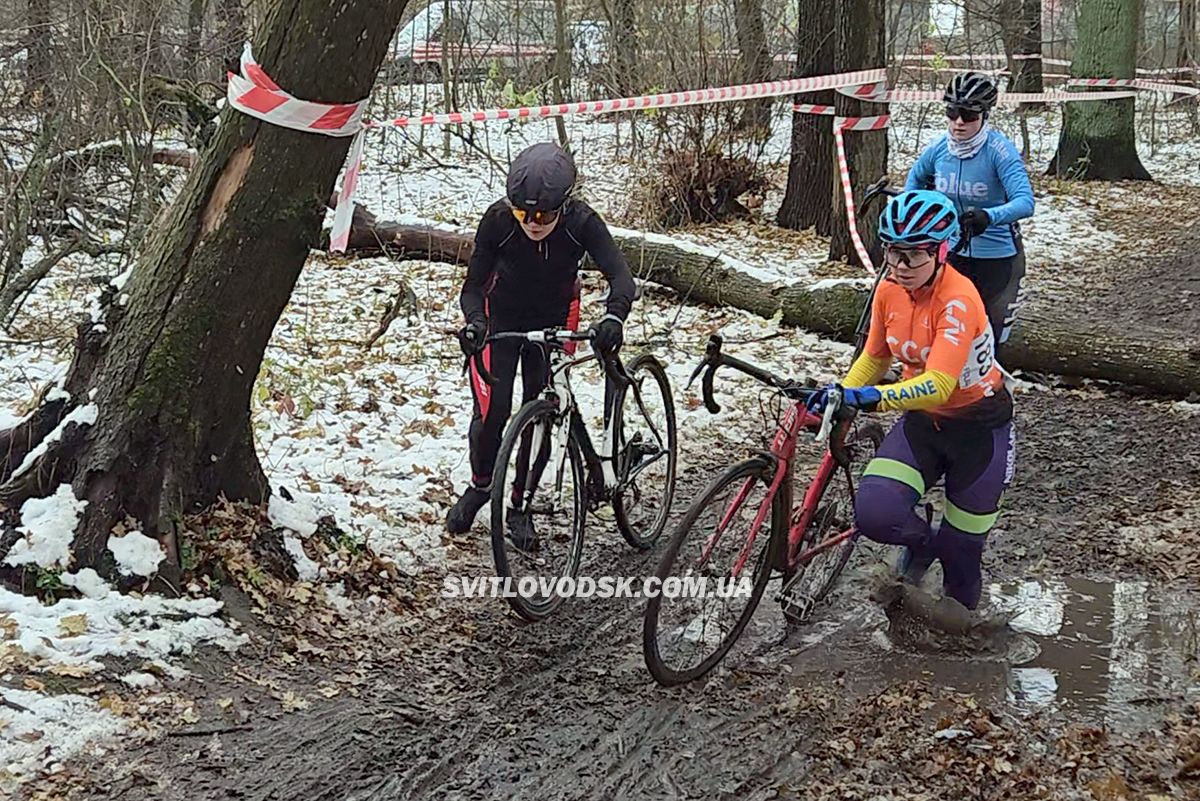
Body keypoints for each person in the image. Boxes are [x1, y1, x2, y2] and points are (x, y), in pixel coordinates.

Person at [807, 190, 1015, 612]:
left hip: (979, 431)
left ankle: (958, 656)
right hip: (924, 425)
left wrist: (868, 399)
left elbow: (939, 384)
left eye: (912, 256)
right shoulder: (889, 290)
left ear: (942, 251)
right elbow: (876, 356)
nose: (899, 267)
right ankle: (925, 545)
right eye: (891, 252)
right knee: (875, 515)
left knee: (962, 563)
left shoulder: (959, 300)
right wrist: (843, 393)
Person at [446, 142, 636, 538]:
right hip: (501, 319)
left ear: (564, 205)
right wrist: (475, 321)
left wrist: (614, 317)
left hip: (555, 318)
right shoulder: (497, 221)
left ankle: (521, 503)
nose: (532, 223)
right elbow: (473, 287)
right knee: (492, 413)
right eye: (523, 213)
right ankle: (481, 485)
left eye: (543, 214)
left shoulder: (582, 222)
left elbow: (621, 278)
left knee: (541, 410)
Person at [905, 71, 1034, 351]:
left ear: (985, 116)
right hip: (952, 253)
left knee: (988, 338)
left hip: (998, 258)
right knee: (946, 328)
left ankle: (991, 390)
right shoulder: (939, 148)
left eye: (969, 115)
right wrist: (915, 213)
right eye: (952, 113)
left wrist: (990, 216)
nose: (959, 122)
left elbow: (1025, 202)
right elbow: (914, 181)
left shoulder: (1000, 151)